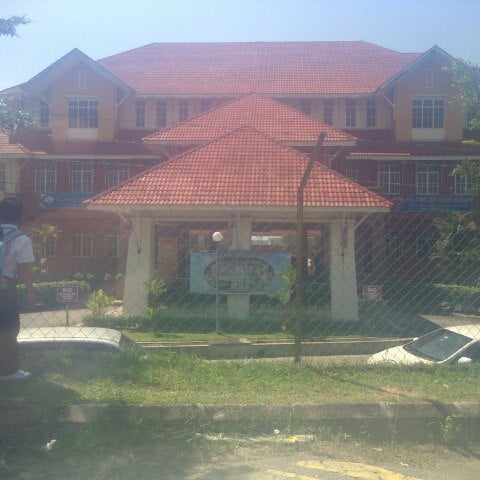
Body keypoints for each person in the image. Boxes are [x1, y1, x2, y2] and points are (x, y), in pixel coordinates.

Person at [0, 197, 35, 380]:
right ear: (20, 216)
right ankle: (9, 371)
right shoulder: (22, 239)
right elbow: (24, 270)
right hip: (6, 288)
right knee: (9, 328)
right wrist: (30, 293)